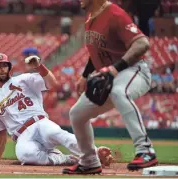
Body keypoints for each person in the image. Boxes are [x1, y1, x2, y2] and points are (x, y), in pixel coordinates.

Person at [62, 0, 158, 174]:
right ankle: (89, 160)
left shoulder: (115, 14)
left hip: (133, 70)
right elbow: (97, 51)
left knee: (119, 92)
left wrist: (114, 69)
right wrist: (84, 75)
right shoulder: (90, 16)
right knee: (77, 114)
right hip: (109, 77)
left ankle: (146, 151)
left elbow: (142, 43)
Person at [0, 53, 113, 166]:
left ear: (9, 67)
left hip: (40, 123)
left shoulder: (23, 79)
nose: (2, 69)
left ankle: (96, 153)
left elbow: (52, 83)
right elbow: (0, 132)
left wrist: (39, 66)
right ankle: (63, 158)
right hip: (22, 135)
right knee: (25, 155)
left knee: (62, 135)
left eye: (4, 65)